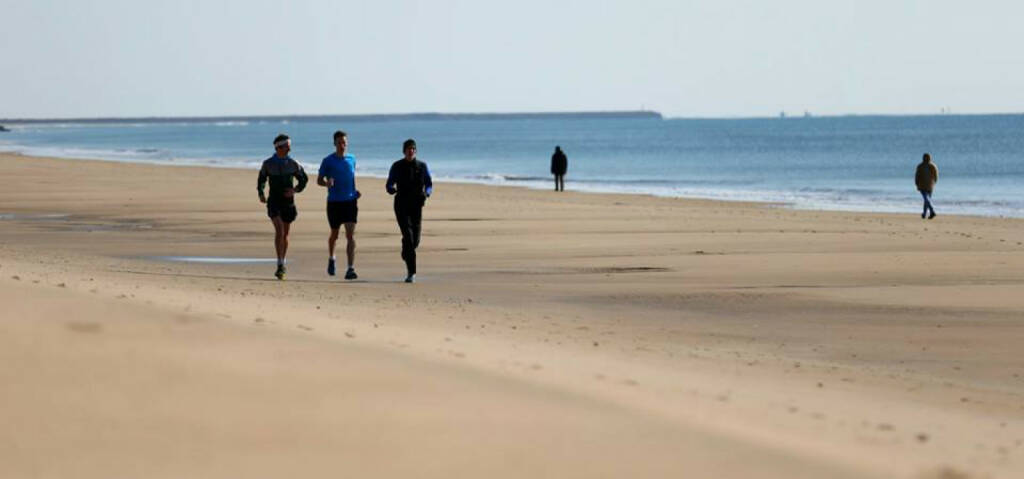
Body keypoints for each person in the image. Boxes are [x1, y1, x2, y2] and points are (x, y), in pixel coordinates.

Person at [258, 134, 308, 280]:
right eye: (287, 145)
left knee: (285, 234)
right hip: (274, 201)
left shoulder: (293, 164)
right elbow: (261, 179)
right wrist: (261, 193)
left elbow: (304, 180)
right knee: (279, 230)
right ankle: (279, 263)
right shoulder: (268, 164)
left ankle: (282, 262)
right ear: (279, 147)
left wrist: (295, 190)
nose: (290, 148)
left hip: (288, 203)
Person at [386, 139, 433, 283]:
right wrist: (391, 189)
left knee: (415, 241)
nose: (410, 151)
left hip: (416, 206)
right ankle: (411, 273)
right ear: (404, 151)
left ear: (416, 151)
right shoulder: (397, 166)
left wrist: (427, 193)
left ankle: (405, 249)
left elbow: (429, 183)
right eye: (408, 149)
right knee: (408, 236)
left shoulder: (422, 166)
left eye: (413, 149)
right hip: (401, 205)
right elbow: (389, 183)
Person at [317, 130, 359, 280]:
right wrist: (326, 183)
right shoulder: (328, 160)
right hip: (334, 202)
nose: (342, 145)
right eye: (339, 142)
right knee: (334, 235)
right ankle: (332, 258)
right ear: (334, 143)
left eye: (344, 142)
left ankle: (350, 268)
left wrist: (355, 191)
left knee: (350, 235)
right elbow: (319, 180)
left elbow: (352, 177)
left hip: (350, 201)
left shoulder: (352, 159)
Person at [915, 153, 938, 219]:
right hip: (928, 185)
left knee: (926, 199)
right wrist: (934, 182)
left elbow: (936, 175)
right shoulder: (929, 166)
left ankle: (932, 210)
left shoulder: (929, 166)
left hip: (925, 185)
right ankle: (925, 214)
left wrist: (916, 183)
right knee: (926, 199)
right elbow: (936, 176)